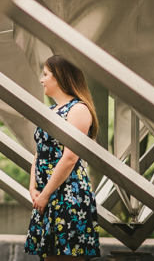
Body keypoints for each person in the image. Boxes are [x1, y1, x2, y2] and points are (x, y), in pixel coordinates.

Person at [25, 54, 100, 259]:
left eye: (46, 74)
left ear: (58, 77)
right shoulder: (50, 110)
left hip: (67, 196)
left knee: (66, 255)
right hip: (46, 196)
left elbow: (70, 157)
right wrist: (33, 188)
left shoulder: (78, 109)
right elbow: (39, 153)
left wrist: (45, 194)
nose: (42, 79)